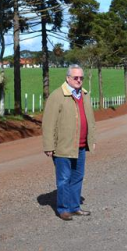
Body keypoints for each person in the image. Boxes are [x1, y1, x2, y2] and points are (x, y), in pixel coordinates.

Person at [42, 64, 97, 221]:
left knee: (78, 177)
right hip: (63, 147)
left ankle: (75, 207)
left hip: (80, 146)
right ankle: (64, 209)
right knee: (64, 179)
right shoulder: (57, 96)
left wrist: (92, 139)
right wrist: (48, 146)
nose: (79, 80)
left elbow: (90, 119)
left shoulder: (84, 95)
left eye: (81, 78)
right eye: (75, 77)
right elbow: (48, 123)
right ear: (68, 78)